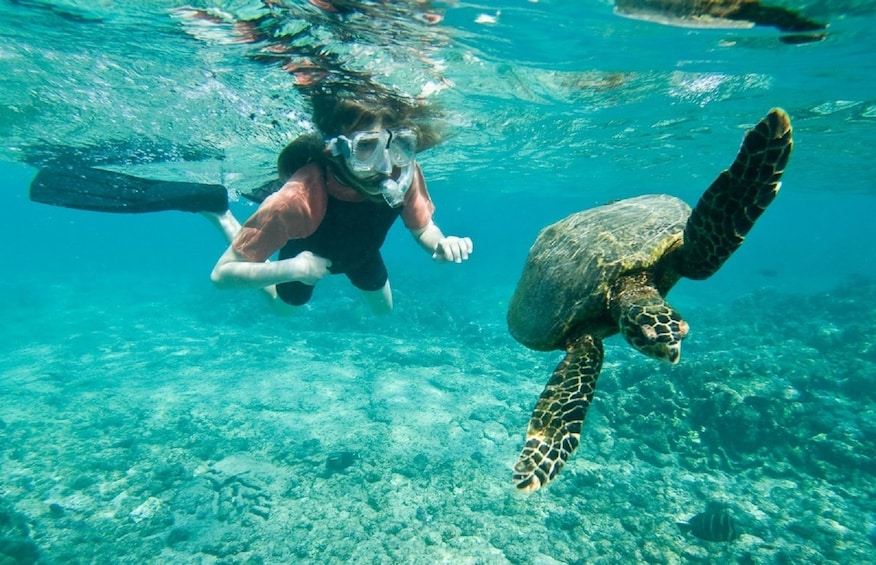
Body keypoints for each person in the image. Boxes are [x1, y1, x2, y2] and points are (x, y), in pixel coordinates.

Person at [204, 90, 473, 315]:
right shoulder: (299, 198)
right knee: (284, 310)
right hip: (304, 258)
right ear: (337, 149)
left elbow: (423, 229)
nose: (385, 164)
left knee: (384, 311)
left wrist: (440, 244)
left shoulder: (404, 172)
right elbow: (222, 275)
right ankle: (221, 215)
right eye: (367, 147)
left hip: (362, 254)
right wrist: (291, 268)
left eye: (398, 144)